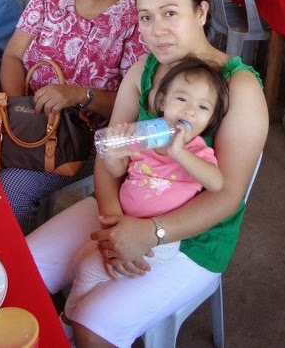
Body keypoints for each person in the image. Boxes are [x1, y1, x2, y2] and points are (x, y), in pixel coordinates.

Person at [27, 0, 268, 347]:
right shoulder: (144, 70)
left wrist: (150, 232)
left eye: (170, 14)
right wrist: (114, 223)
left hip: (194, 237)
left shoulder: (239, 87)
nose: (157, 30)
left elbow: (227, 195)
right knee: (21, 268)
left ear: (201, 12)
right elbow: (109, 151)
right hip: (127, 203)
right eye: (145, 17)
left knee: (91, 325)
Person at [0, 0, 148, 234]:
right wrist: (21, 117)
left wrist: (79, 95)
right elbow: (13, 55)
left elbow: (135, 107)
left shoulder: (136, 14)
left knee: (9, 191)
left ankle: (18, 256)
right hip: (29, 117)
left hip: (87, 138)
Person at [64, 56, 228, 319]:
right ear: (162, 102)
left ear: (210, 120)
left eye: (203, 107)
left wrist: (180, 152)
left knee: (87, 269)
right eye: (181, 99)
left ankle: (68, 320)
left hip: (158, 240)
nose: (190, 111)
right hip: (126, 223)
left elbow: (217, 183)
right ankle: (86, 303)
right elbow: (117, 170)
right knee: (80, 261)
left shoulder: (198, 152)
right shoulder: (146, 137)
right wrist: (113, 151)